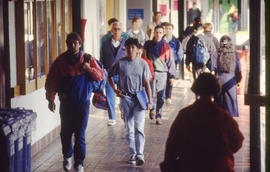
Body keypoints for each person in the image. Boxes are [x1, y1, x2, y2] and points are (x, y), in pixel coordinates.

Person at [160, 72, 244, 172]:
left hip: (190, 165)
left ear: (196, 89)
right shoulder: (222, 116)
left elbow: (172, 145)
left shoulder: (184, 115)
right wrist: (222, 151)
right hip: (219, 166)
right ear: (216, 89)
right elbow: (238, 141)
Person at [45, 32, 104, 172]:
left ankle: (79, 162)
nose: (73, 45)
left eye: (75, 42)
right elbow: (51, 82)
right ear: (66, 44)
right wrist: (50, 99)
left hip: (82, 103)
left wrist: (88, 68)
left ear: (80, 43)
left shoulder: (88, 59)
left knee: (80, 134)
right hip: (66, 103)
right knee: (65, 133)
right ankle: (67, 155)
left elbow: (100, 76)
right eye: (70, 43)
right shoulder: (60, 61)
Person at [107, 38, 152, 166]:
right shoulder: (120, 63)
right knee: (130, 129)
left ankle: (140, 154)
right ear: (125, 49)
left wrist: (150, 101)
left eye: (133, 47)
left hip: (140, 98)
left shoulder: (143, 64)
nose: (130, 50)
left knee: (139, 127)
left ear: (138, 49)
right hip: (126, 98)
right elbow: (108, 75)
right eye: (128, 48)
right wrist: (115, 90)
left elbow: (147, 84)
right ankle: (132, 154)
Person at [144, 25, 176, 125]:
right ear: (154, 33)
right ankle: (152, 109)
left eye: (160, 32)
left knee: (161, 95)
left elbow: (170, 62)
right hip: (151, 73)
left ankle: (159, 115)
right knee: (151, 93)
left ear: (163, 34)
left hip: (162, 73)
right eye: (156, 32)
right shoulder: (148, 44)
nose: (158, 34)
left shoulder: (166, 47)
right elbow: (144, 56)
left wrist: (171, 76)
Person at [100, 22, 127, 126]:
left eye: (118, 29)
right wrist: (103, 72)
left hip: (122, 74)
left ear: (122, 31)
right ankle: (112, 117)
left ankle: (124, 114)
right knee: (110, 96)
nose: (116, 31)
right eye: (114, 29)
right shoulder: (105, 44)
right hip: (109, 73)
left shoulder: (126, 43)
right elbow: (102, 59)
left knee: (123, 95)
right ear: (111, 31)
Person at [214, 35, 242, 117]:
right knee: (231, 106)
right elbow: (238, 69)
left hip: (219, 81)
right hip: (231, 83)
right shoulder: (235, 54)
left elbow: (212, 66)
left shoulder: (216, 53)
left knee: (219, 105)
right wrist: (238, 80)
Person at [163, 22, 184, 104]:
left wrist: (176, 61)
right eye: (166, 29)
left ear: (172, 30)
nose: (168, 31)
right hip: (162, 64)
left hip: (172, 64)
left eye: (169, 29)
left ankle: (168, 96)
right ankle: (163, 95)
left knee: (170, 80)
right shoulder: (161, 40)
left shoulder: (176, 41)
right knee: (163, 80)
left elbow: (180, 53)